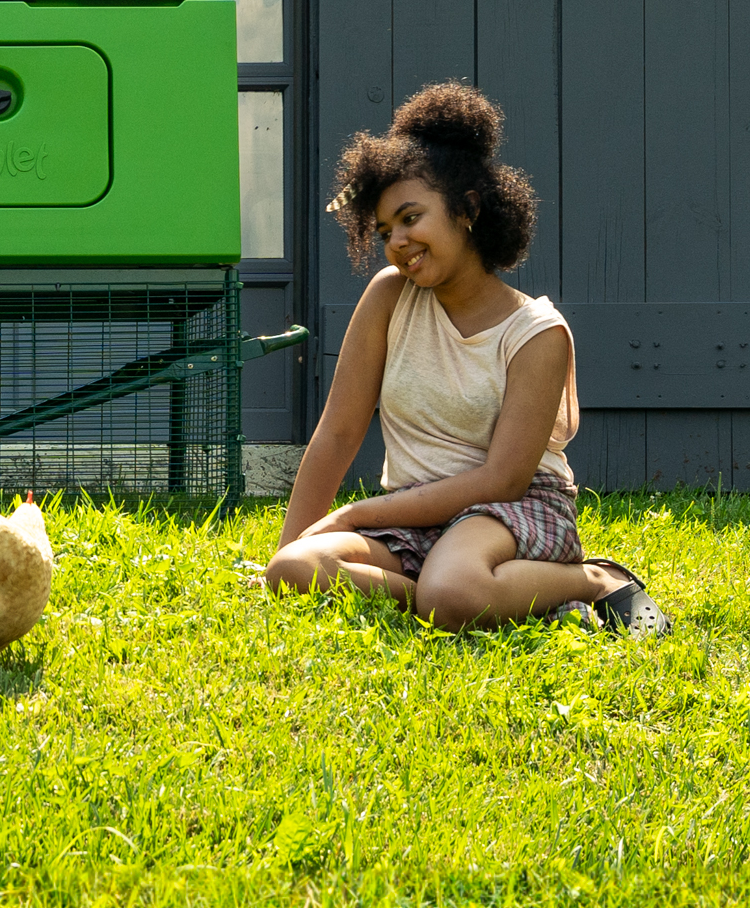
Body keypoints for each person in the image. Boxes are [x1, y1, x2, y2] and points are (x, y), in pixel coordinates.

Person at [264, 83, 670, 636]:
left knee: (452, 592)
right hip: (416, 516)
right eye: (385, 231)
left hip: (513, 510)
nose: (398, 242)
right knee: (294, 570)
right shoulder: (388, 297)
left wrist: (355, 515)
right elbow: (337, 431)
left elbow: (503, 479)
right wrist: (288, 548)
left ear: (468, 209)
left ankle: (591, 580)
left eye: (411, 218)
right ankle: (457, 592)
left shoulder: (536, 333)